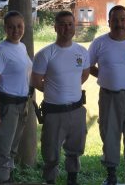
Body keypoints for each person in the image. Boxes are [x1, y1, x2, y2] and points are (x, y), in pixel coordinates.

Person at [88, 5, 125, 185]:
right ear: (109, 22)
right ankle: (111, 174)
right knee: (109, 134)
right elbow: (89, 66)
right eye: (115, 20)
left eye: (123, 19)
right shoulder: (99, 43)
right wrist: (105, 76)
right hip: (108, 96)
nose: (119, 23)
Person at [31, 11, 90, 185]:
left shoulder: (81, 52)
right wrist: (52, 90)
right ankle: (50, 180)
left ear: (74, 26)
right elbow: (36, 80)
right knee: (51, 152)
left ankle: (72, 178)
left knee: (75, 149)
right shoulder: (45, 54)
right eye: (62, 24)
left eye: (70, 24)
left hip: (77, 110)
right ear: (55, 27)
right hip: (54, 112)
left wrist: (70, 88)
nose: (66, 28)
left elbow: (84, 74)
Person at [0, 11, 32, 184]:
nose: (16, 30)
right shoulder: (0, 51)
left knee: (12, 149)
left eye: (19, 26)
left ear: (24, 26)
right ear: (5, 28)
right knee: (1, 151)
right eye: (11, 27)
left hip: (21, 105)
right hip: (6, 106)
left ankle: (8, 178)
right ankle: (1, 181)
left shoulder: (21, 46)